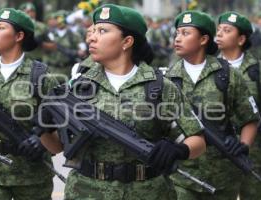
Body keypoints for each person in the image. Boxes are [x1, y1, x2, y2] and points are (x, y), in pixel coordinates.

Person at [39, 4, 207, 200]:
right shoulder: (78, 86)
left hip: (148, 192)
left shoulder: (160, 86)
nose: (92, 37)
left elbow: (198, 139)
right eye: (93, 30)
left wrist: (180, 150)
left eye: (102, 31)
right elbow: (57, 147)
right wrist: (44, 128)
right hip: (86, 192)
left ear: (127, 41)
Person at [167, 10, 258, 200]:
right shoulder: (168, 78)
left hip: (223, 175)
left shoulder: (227, 74)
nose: (177, 38)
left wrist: (243, 146)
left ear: (203, 39)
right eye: (177, 33)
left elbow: (249, 117)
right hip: (183, 176)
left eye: (185, 33)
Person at [0, 8, 59, 200]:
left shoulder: (41, 77)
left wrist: (42, 142)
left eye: (1, 28)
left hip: (32, 173)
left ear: (19, 35)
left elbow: (61, 123)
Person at [216, 11, 261, 200]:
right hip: (216, 149)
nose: (219, 34)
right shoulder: (208, 68)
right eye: (218, 30)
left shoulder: (256, 70)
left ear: (241, 39)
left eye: (226, 30)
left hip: (253, 150)